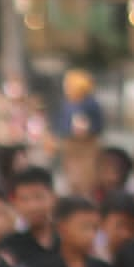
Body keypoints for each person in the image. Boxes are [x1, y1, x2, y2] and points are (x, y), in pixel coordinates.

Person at [55, 69, 103, 198]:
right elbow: (62, 122)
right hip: (70, 142)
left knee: (86, 174)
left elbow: (96, 124)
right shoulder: (67, 102)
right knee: (71, 172)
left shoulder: (90, 103)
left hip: (86, 143)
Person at [2, 167, 58, 267]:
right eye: (24, 199)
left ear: (53, 197)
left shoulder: (68, 240)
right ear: (15, 203)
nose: (32, 206)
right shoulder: (9, 247)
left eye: (38, 197)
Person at [94, 189, 134, 262]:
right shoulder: (92, 256)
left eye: (132, 228)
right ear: (102, 223)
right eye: (119, 226)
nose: (126, 234)